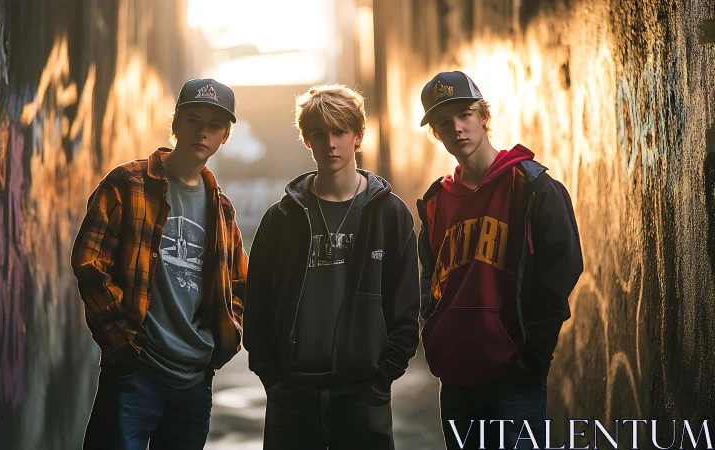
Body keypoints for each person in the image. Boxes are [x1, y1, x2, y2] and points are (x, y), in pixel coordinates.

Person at [71, 78, 247, 450]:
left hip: (194, 383)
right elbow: (90, 262)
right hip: (135, 374)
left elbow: (239, 285)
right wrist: (123, 343)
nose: (202, 132)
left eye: (214, 125)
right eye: (193, 120)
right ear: (176, 124)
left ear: (225, 137)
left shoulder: (222, 210)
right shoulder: (127, 184)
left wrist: (219, 345)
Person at [243, 84, 420, 450]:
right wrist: (271, 376)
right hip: (292, 394)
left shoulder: (389, 215)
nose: (331, 144)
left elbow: (406, 305)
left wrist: (382, 378)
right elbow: (255, 303)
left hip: (362, 393)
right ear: (307, 141)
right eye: (319, 134)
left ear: (358, 136)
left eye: (340, 131)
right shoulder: (281, 218)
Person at [416, 71, 583, 449]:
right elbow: (431, 276)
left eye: (466, 115)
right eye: (444, 122)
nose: (457, 128)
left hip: (514, 374)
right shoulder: (436, 202)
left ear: (484, 117)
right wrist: (438, 330)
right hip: (457, 375)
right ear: (436, 133)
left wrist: (533, 350)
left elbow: (563, 266)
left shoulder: (532, 187)